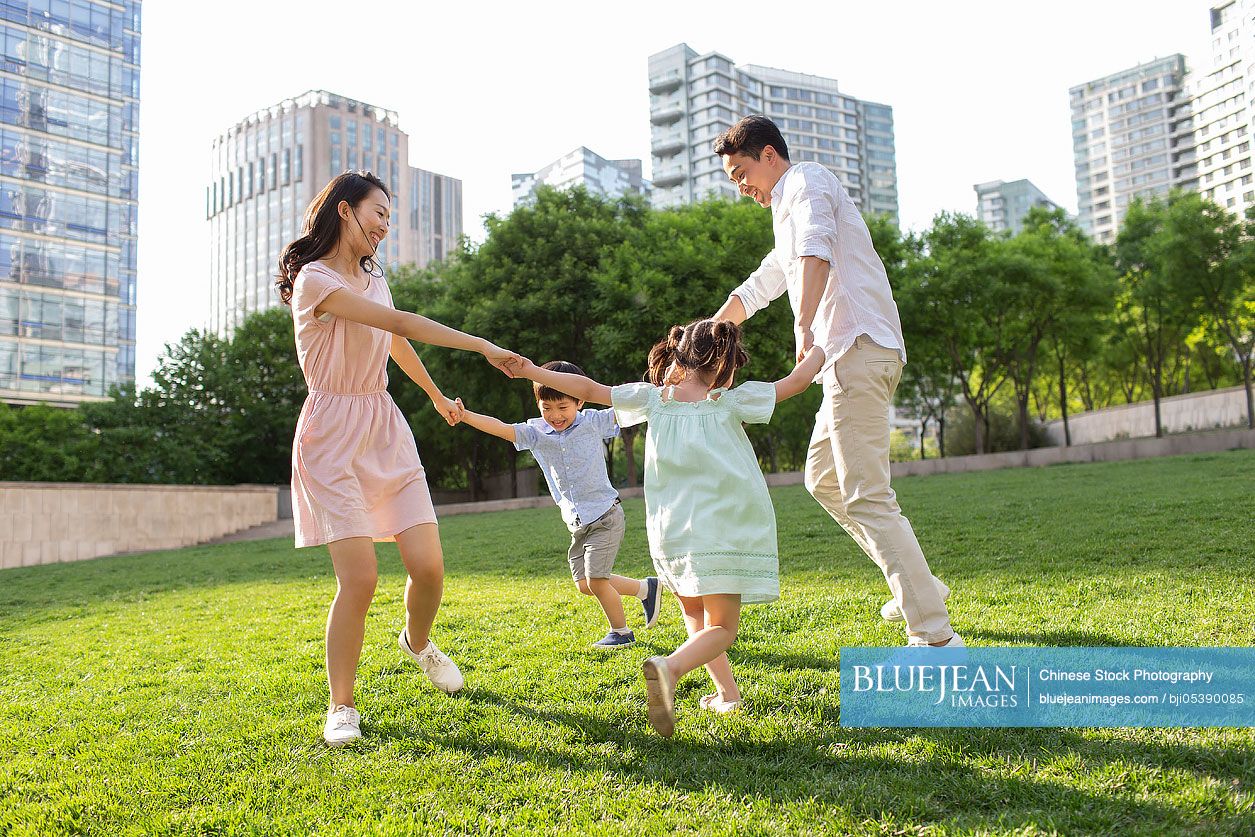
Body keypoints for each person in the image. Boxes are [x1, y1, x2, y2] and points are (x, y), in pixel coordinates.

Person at [275, 170, 519, 747]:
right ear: (345, 212)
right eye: (379, 213)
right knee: (359, 580)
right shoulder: (315, 280)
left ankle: (415, 641)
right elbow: (401, 322)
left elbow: (395, 340)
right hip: (331, 436)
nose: (386, 225)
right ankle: (341, 706)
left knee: (429, 567)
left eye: (389, 215)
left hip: (383, 424)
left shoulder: (370, 274)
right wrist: (481, 345)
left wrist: (435, 396)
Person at [711, 115, 961, 648]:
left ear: (769, 155)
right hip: (847, 360)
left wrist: (803, 323)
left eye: (741, 173)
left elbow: (816, 248)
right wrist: (708, 331)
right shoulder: (785, 211)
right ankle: (921, 588)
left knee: (867, 494)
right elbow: (762, 284)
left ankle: (935, 637)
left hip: (857, 349)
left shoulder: (807, 182)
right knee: (824, 479)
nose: (741, 187)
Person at [511, 319, 825, 737]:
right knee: (722, 628)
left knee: (694, 612)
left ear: (680, 357)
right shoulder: (729, 402)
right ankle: (670, 667)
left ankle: (727, 695)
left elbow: (586, 389)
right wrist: (825, 343)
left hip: (672, 531)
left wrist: (531, 370)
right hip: (724, 528)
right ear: (725, 364)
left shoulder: (653, 400)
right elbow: (797, 382)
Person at [452, 360, 663, 649]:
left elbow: (631, 404)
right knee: (586, 585)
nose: (555, 415)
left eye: (562, 407)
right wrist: (465, 416)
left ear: (579, 400)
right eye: (547, 408)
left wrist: (665, 389)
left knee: (597, 579)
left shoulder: (592, 421)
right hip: (578, 522)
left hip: (605, 515)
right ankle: (645, 588)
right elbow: (501, 428)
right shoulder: (535, 433)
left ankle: (621, 632)